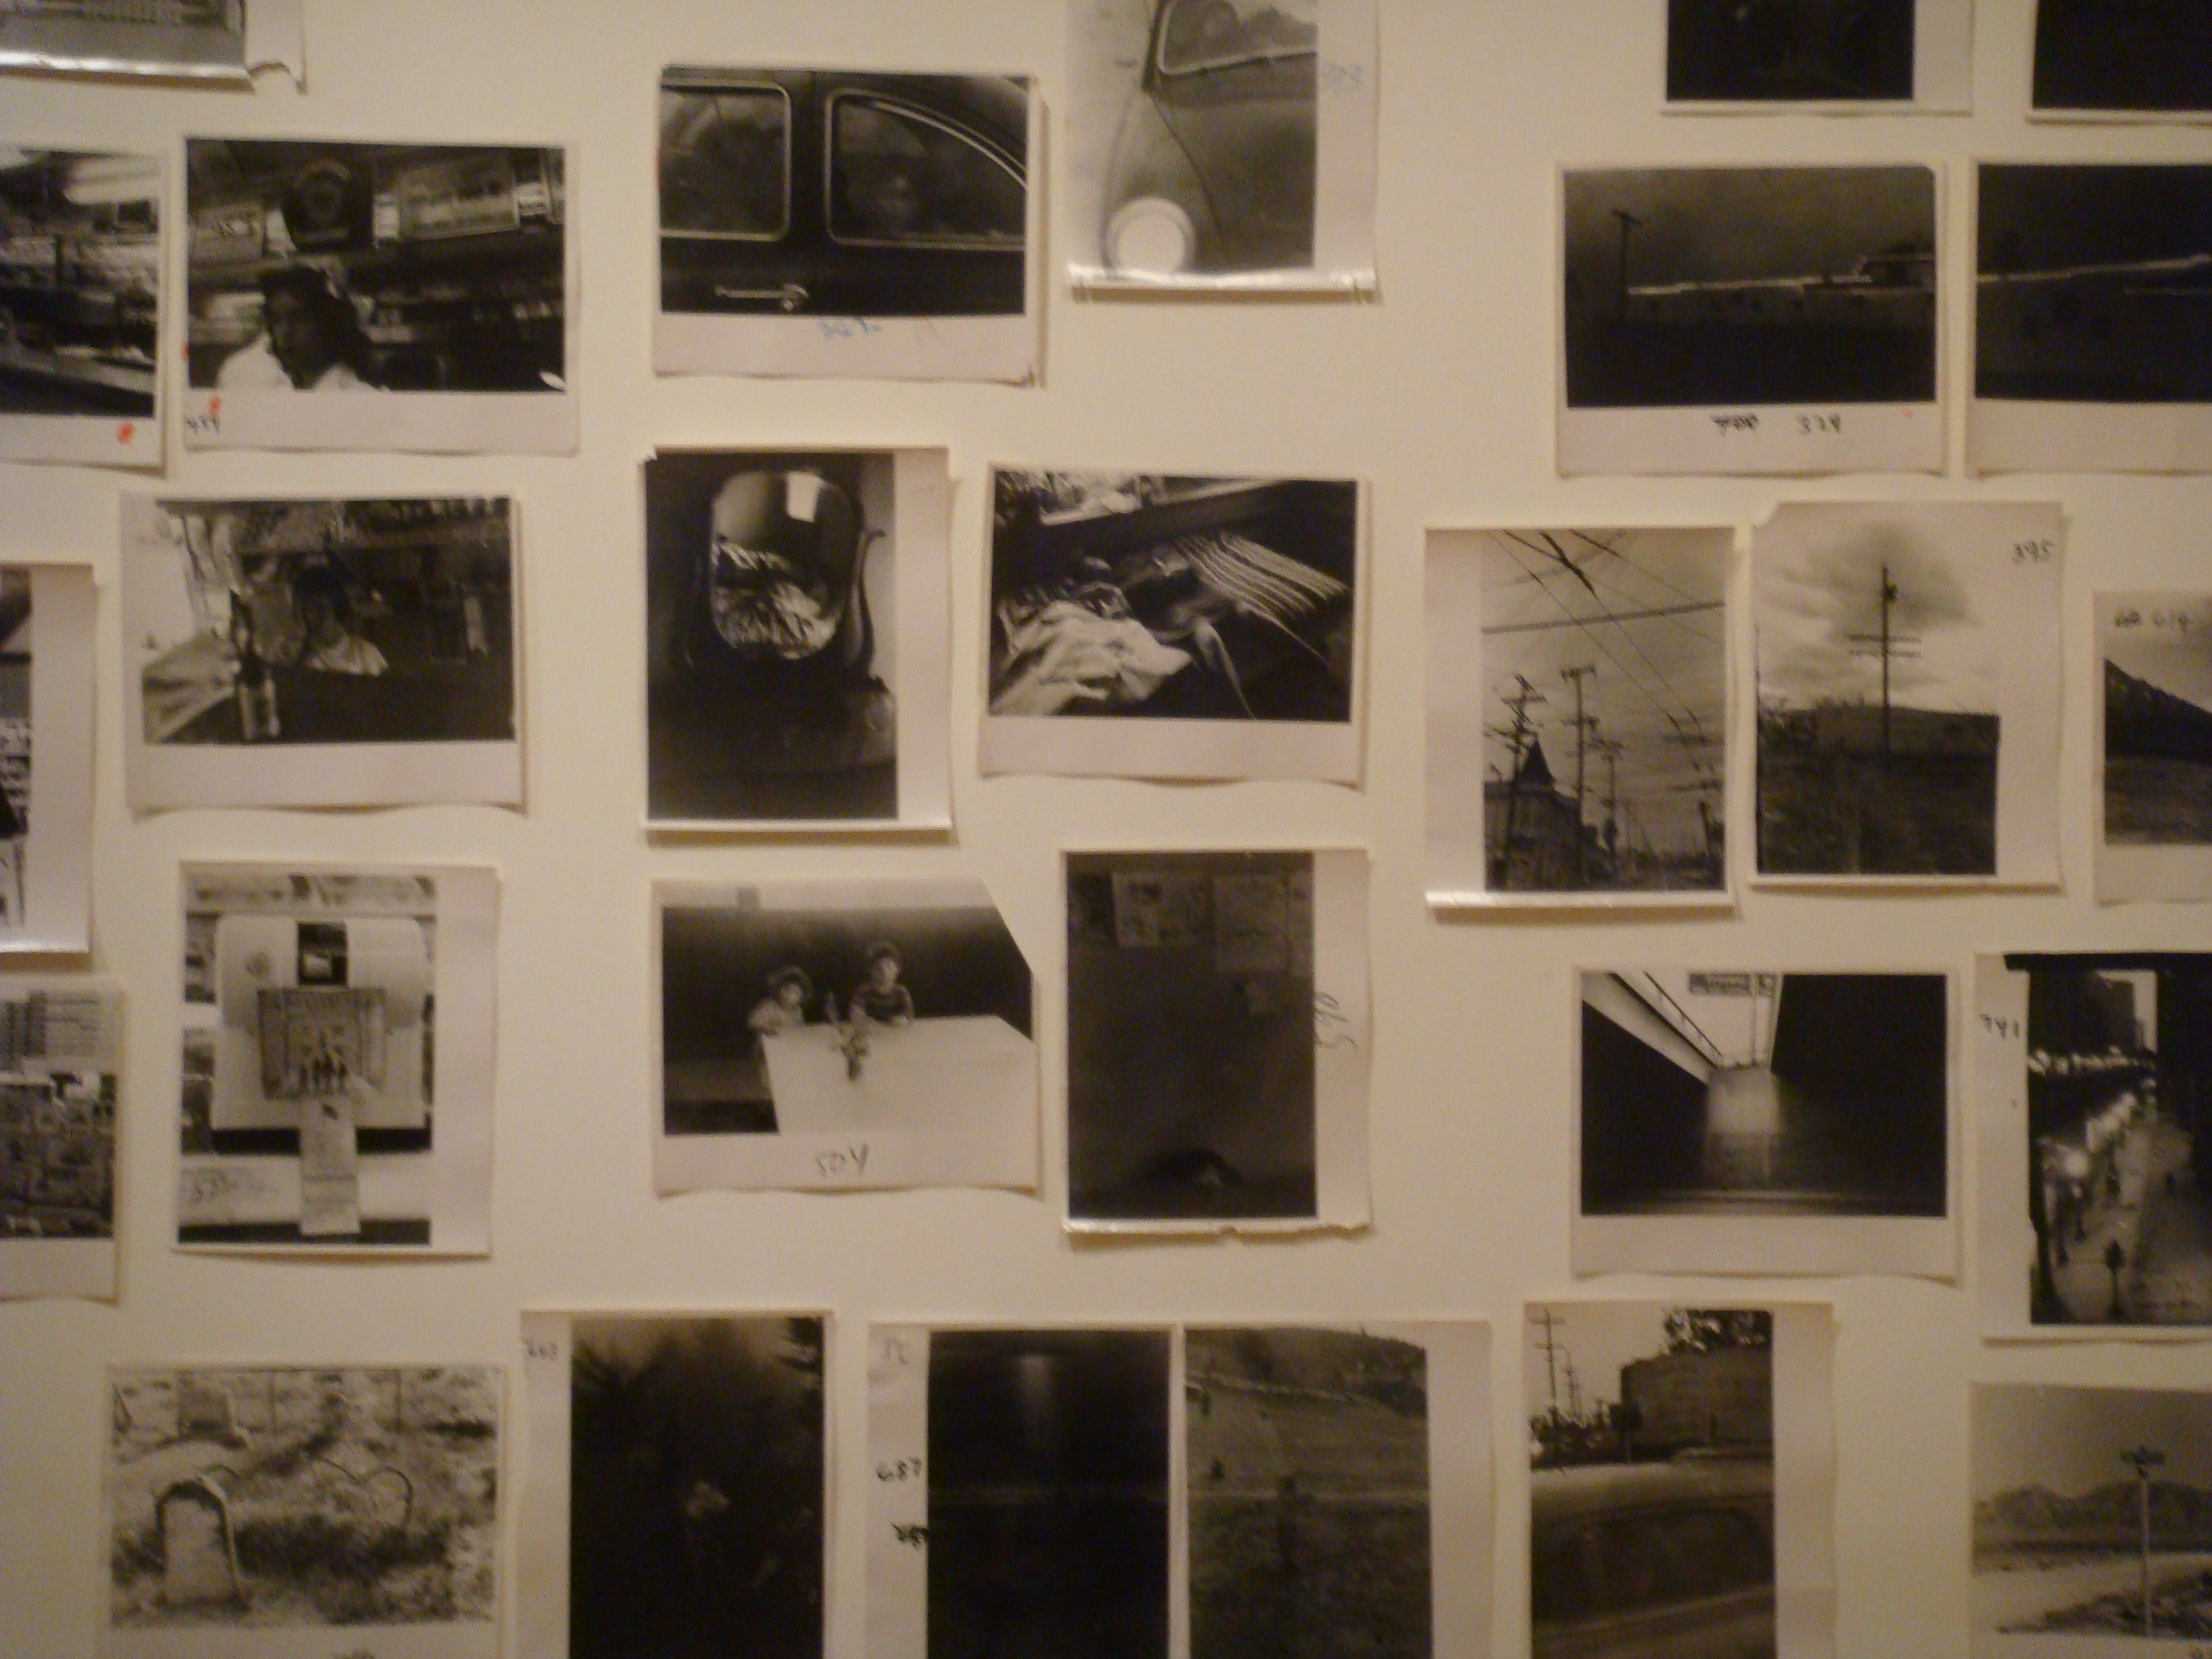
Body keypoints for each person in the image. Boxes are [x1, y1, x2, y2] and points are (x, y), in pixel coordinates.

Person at [216, 264, 378, 392]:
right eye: (276, 320)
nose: (284, 333)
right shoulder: (266, 385)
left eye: (299, 319)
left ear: (327, 322)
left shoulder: (356, 394)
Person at [292, 573, 388, 676]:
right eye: (305, 609)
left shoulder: (365, 653)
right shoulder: (297, 657)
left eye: (319, 608)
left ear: (337, 609)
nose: (310, 617)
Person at [846, 942, 914, 1027]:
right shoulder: (864, 992)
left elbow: (908, 1017)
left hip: (894, 1032)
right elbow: (856, 1014)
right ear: (870, 970)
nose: (884, 972)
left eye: (888, 966)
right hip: (871, 1032)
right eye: (878, 968)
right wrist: (862, 1019)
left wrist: (901, 1021)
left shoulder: (901, 993)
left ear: (898, 969)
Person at [747, 965, 813, 1037]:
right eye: (786, 990)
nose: (788, 996)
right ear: (778, 990)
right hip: (770, 1042)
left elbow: (801, 1031)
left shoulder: (798, 1011)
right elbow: (752, 1022)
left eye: (795, 992)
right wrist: (764, 1028)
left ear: (802, 996)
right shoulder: (769, 1007)